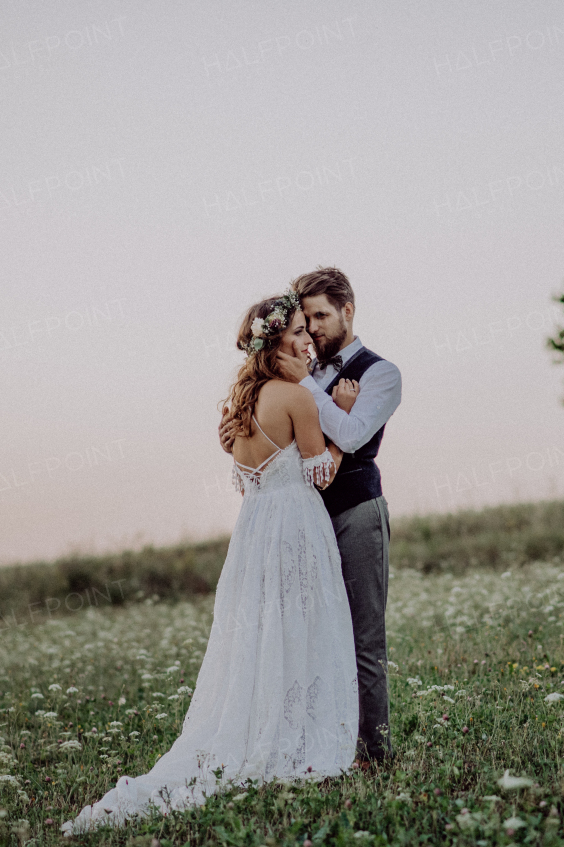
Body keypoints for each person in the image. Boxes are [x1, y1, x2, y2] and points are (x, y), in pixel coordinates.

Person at [62, 291, 363, 836]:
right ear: (274, 342)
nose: (306, 338)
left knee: (263, 634)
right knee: (301, 626)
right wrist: (339, 413)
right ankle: (296, 735)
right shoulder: (295, 396)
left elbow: (249, 471)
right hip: (295, 527)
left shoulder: (240, 406)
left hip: (254, 535)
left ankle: (263, 722)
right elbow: (323, 474)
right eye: (297, 329)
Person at [220, 266, 402, 768]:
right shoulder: (301, 374)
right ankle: (319, 745)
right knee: (308, 635)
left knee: (364, 638)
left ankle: (375, 754)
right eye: (306, 320)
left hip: (356, 514)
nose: (315, 329)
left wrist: (315, 392)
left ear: (348, 311)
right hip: (303, 527)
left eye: (321, 316)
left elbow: (355, 434)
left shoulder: (381, 373)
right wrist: (311, 389)